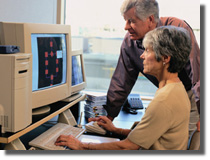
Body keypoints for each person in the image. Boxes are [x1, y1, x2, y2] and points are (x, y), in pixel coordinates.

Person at [55, 26, 191, 150]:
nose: (142, 55)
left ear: (165, 58)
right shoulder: (176, 89)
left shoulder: (164, 100)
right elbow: (147, 136)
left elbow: (127, 147)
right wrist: (115, 130)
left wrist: (82, 146)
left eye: (147, 50)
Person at [103, 0, 200, 135]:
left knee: (185, 143)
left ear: (150, 19)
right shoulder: (130, 41)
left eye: (131, 21)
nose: (126, 27)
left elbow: (198, 75)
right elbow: (122, 80)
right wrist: (109, 116)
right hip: (166, 95)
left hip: (193, 96)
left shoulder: (177, 30)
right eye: (125, 21)